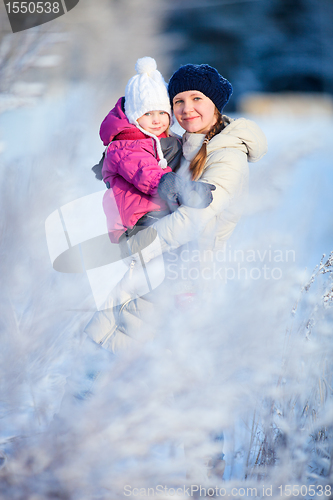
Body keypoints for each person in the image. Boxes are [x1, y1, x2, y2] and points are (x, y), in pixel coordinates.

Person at [99, 57, 215, 244]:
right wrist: (181, 188)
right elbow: (146, 172)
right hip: (137, 222)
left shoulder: (163, 140)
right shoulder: (125, 145)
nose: (156, 120)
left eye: (162, 113)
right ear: (133, 117)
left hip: (155, 212)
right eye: (148, 114)